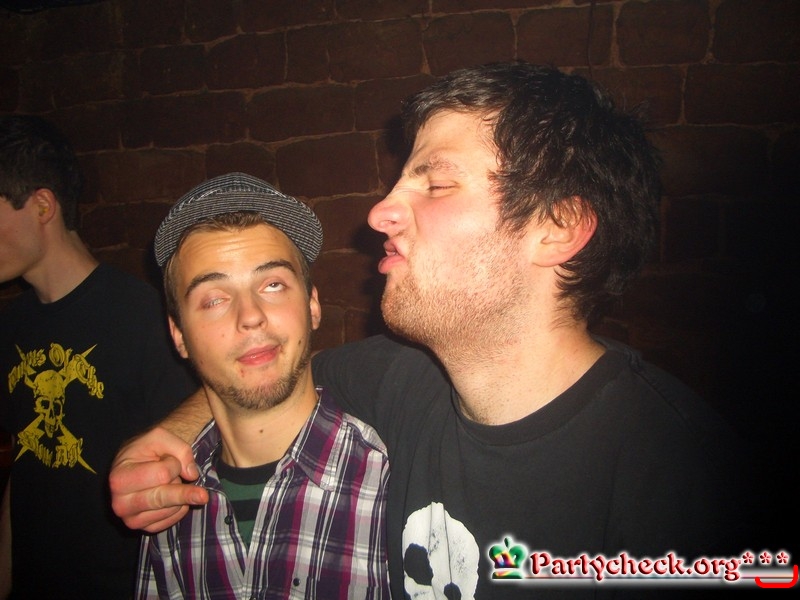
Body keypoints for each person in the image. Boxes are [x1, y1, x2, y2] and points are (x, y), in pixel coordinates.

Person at [109, 63, 756, 598]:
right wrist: (163, 438)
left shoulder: (683, 475)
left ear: (556, 228)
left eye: (437, 183)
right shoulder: (402, 386)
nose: (380, 212)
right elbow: (269, 371)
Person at [135, 172, 389, 599]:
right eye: (214, 299)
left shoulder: (389, 483)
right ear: (178, 335)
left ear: (312, 305)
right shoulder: (165, 505)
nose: (250, 315)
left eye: (272, 285)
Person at [0, 115, 197, 599]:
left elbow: (191, 478)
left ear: (41, 205)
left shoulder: (145, 318)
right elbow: (26, 462)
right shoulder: (9, 325)